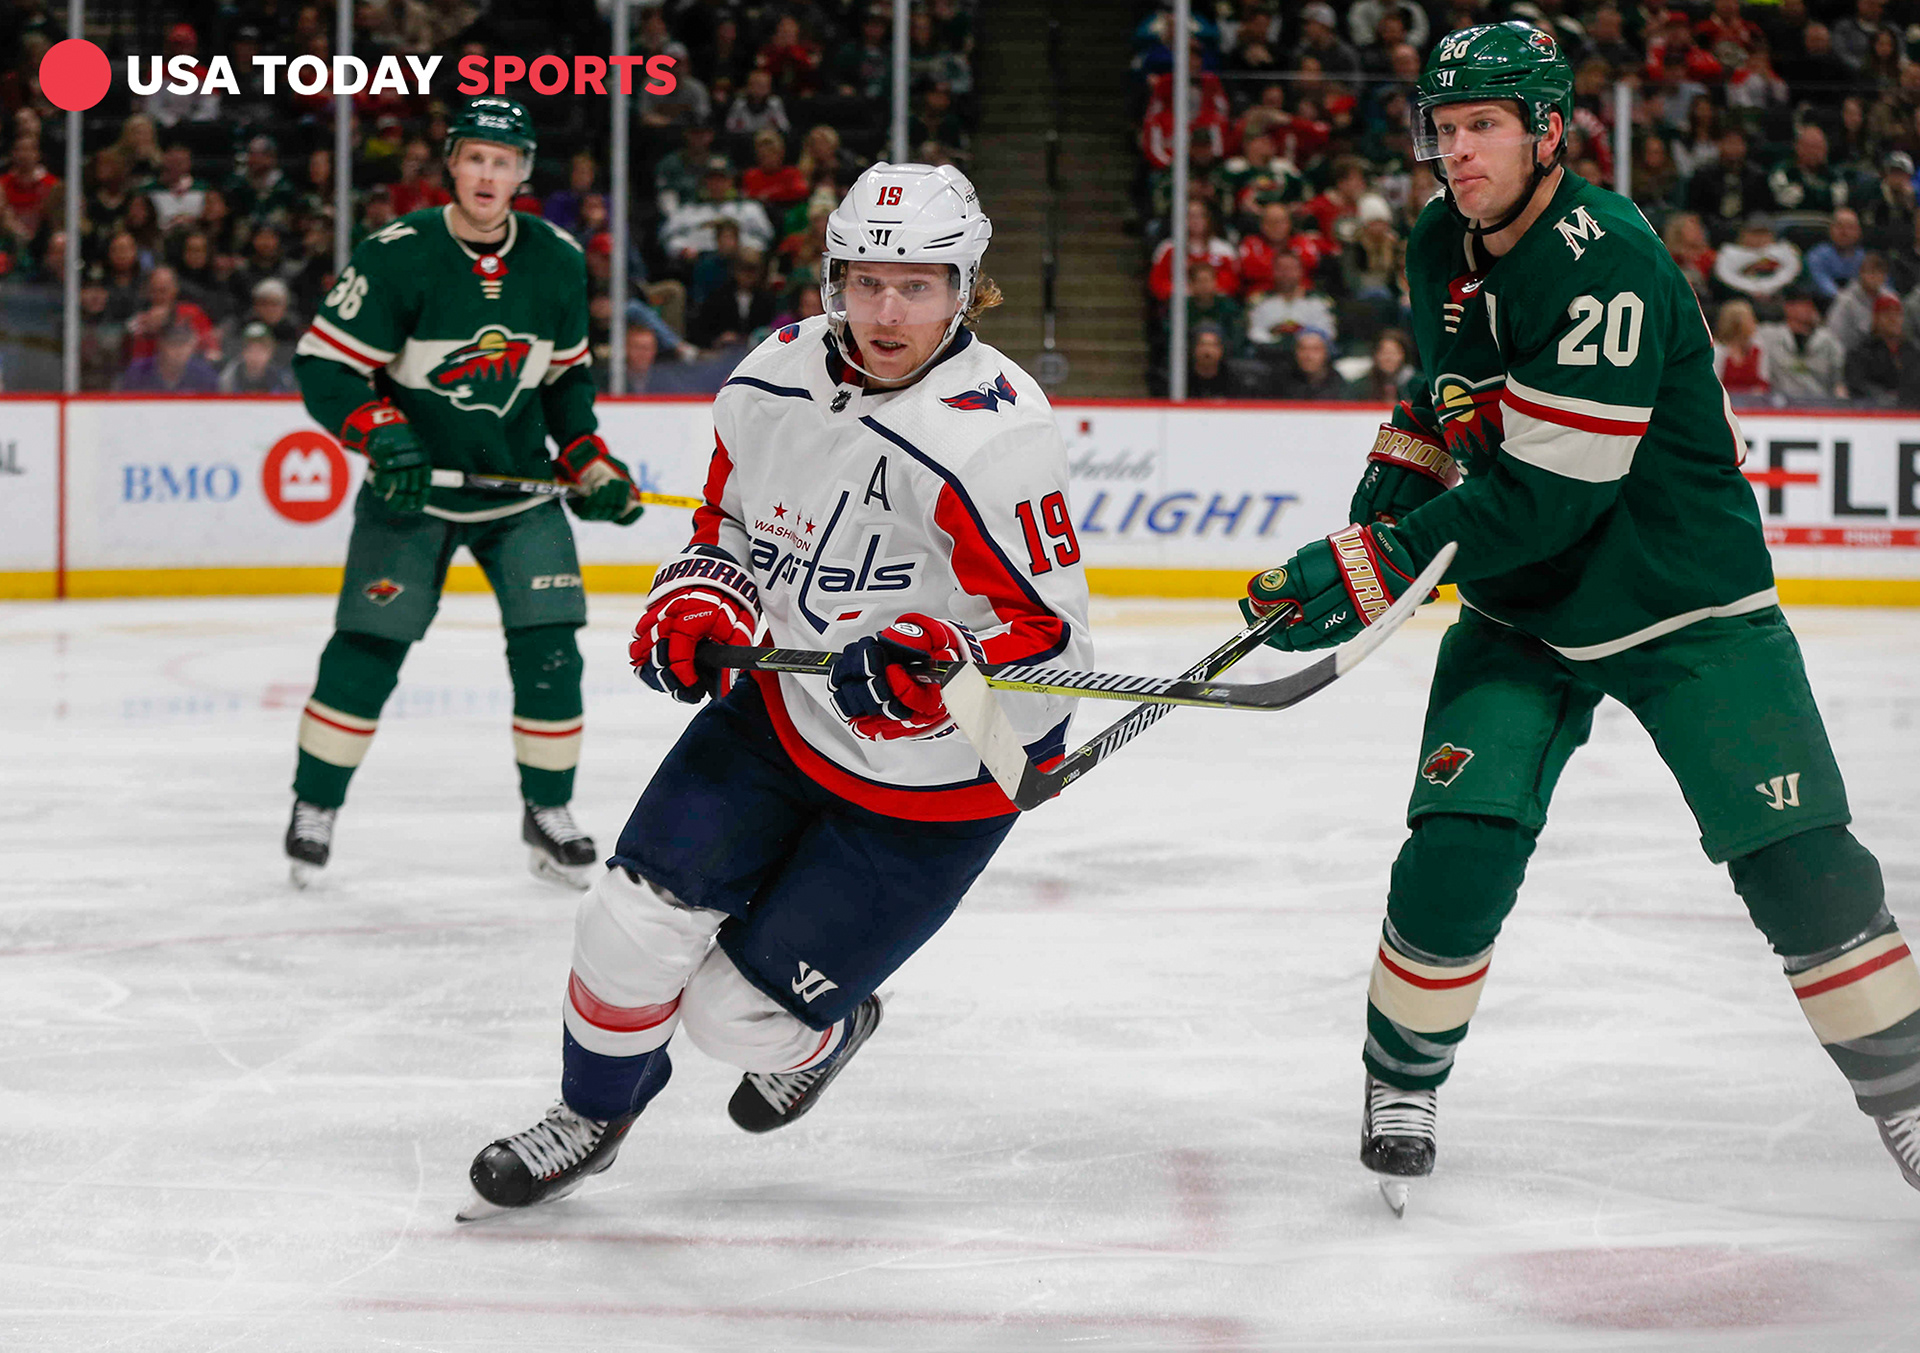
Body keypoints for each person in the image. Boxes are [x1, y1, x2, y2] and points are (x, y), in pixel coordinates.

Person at [1242, 22, 1920, 1211]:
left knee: (1802, 870)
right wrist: (1384, 502)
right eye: (1444, 130)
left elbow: (1555, 496)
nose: (1457, 154)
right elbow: (1443, 389)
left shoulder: (1601, 255)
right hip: (1526, 612)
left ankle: (1911, 1100)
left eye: (1484, 128)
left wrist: (1383, 565)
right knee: (1457, 851)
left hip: (1683, 600)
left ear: (1550, 131)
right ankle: (1402, 1080)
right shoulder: (1439, 239)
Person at [461, 161, 1093, 1216]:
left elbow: (1045, 636)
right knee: (623, 925)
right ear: (835, 276)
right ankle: (591, 1115)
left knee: (729, 1019)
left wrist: (935, 660)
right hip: (784, 715)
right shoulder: (771, 376)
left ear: (965, 289)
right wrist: (703, 595)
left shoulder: (997, 433)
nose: (888, 312)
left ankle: (833, 1029)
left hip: (931, 789)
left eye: (921, 286)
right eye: (867, 280)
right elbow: (731, 525)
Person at [282, 98, 647, 889]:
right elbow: (322, 365)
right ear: (452, 164)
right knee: (368, 649)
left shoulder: (555, 258)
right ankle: (316, 804)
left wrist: (588, 460)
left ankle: (547, 810)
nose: (487, 173)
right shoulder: (397, 254)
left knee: (552, 650)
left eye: (503, 159)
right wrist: (380, 430)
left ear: (523, 173)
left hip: (517, 490)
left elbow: (564, 381)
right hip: (412, 488)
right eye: (474, 156)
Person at [1756, 282, 1847, 402]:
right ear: (1788, 307)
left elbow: (1839, 381)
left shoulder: (1829, 341)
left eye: (1811, 304)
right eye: (1803, 304)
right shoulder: (1768, 335)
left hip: (1820, 405)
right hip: (1780, 406)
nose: (1809, 308)